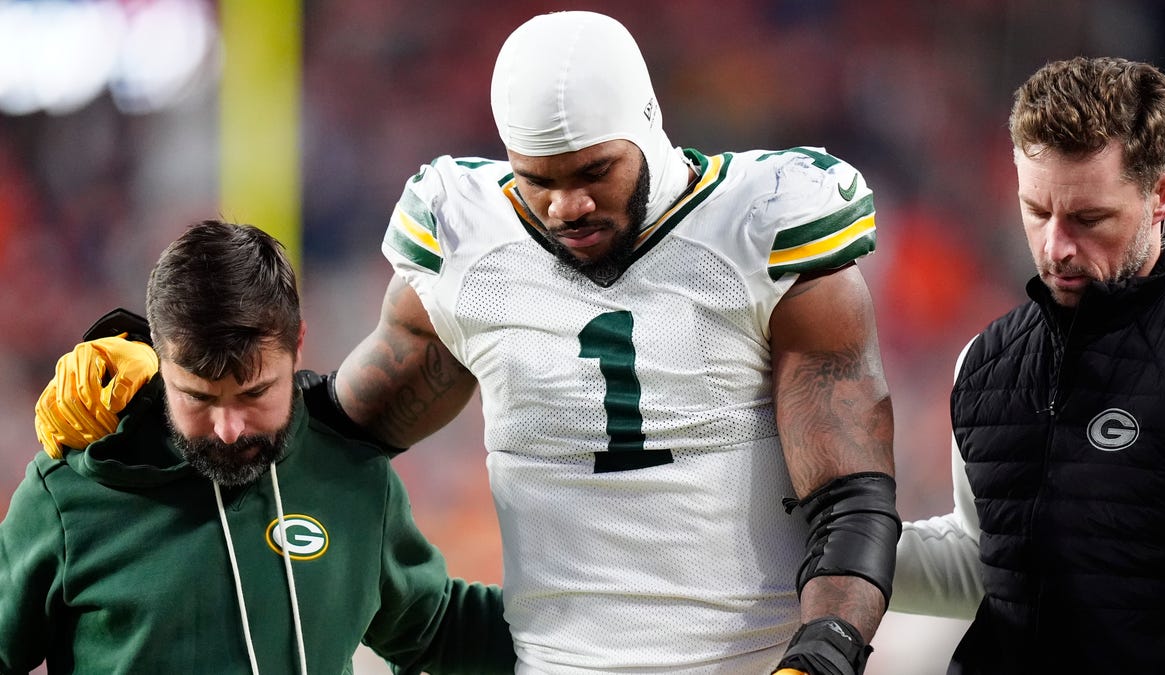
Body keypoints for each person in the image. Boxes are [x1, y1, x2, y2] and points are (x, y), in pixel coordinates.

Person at [32, 12, 900, 675]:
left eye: (594, 172)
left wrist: (823, 653)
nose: (565, 206)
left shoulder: (763, 224)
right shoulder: (468, 241)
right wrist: (158, 387)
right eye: (538, 180)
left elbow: (853, 497)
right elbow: (333, 426)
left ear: (648, 128)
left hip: (753, 659)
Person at [3, 220, 514, 674]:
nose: (229, 428)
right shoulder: (69, 495)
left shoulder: (355, 476)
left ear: (298, 346)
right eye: (199, 398)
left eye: (255, 394)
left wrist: (566, 624)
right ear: (158, 360)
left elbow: (437, 627)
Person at [889, 56, 1165, 673]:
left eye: (1089, 219)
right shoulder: (984, 363)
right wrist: (838, 547)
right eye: (1036, 211)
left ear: (1161, 198)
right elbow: (987, 565)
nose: (1056, 247)